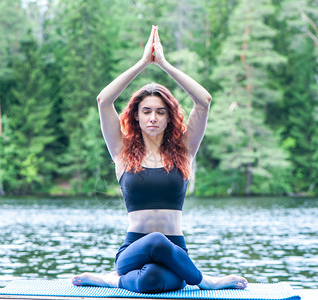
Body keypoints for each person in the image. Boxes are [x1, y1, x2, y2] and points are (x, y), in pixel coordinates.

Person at [72, 25, 248, 293]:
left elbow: (204, 100)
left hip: (176, 251)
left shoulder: (184, 150)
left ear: (169, 117)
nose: (153, 117)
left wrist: (163, 64)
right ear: (136, 116)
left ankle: (113, 281)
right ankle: (203, 281)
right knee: (154, 240)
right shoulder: (121, 150)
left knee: (151, 280)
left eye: (160, 112)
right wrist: (144, 63)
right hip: (133, 250)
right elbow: (103, 100)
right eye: (146, 111)